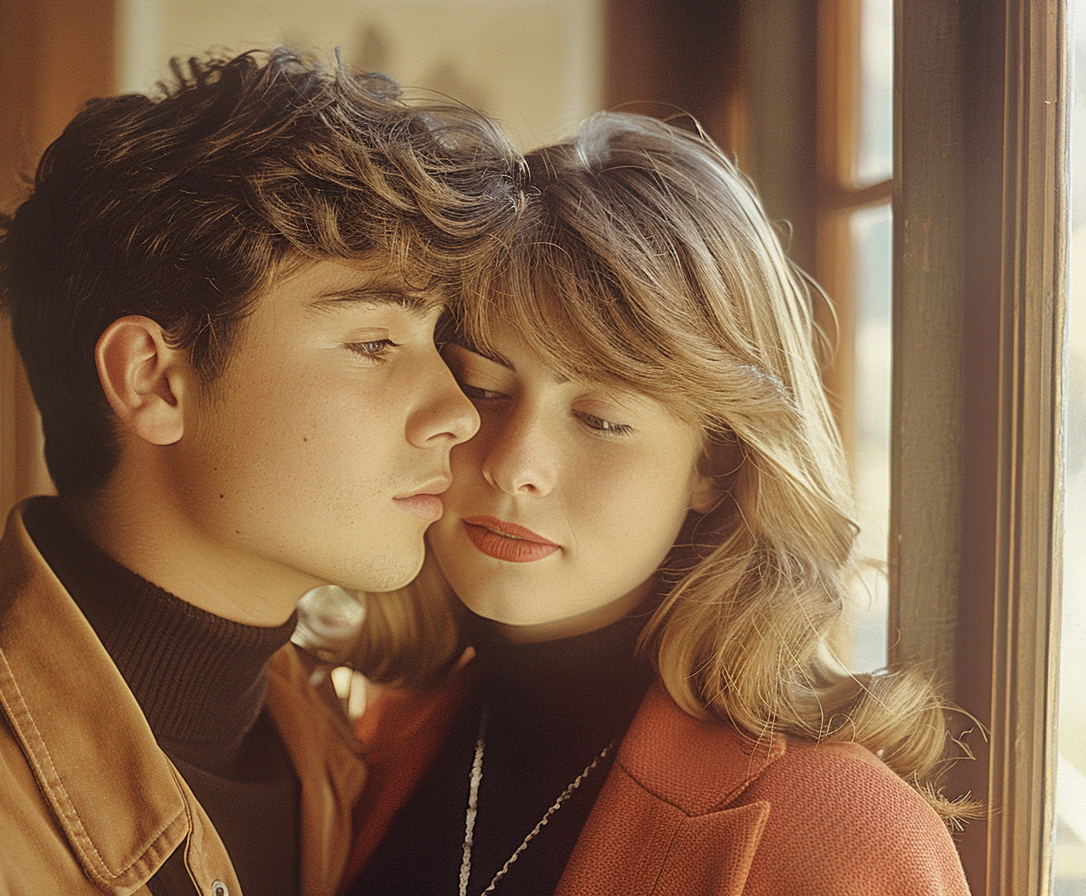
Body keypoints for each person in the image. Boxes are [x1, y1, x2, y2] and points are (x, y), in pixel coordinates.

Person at [0, 48, 523, 896]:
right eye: (375, 343)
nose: (458, 412)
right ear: (153, 380)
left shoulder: (338, 748)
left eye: (439, 346)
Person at [340, 112, 974, 896]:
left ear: (716, 461)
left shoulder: (841, 834)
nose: (513, 468)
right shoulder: (366, 744)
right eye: (482, 389)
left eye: (602, 420)